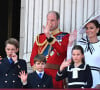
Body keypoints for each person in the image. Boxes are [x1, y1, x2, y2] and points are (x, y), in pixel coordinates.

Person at [30, 11, 69, 88]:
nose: (50, 22)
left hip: (55, 76)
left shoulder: (65, 36)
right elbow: (33, 57)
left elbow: (62, 51)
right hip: (40, 75)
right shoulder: (40, 37)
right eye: (48, 20)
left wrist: (49, 37)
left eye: (52, 20)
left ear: (58, 21)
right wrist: (37, 71)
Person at [68, 20, 100, 88]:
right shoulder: (81, 44)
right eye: (87, 28)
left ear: (97, 30)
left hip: (97, 80)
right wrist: (70, 42)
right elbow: (70, 60)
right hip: (81, 79)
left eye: (91, 28)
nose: (88, 30)